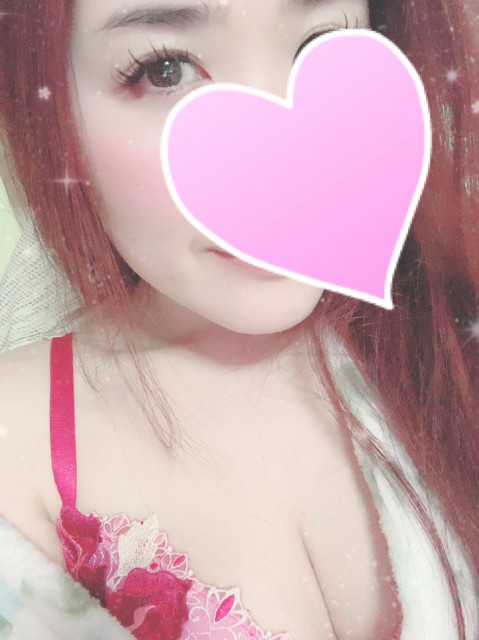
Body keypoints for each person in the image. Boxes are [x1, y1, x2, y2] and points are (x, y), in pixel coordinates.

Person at [0, 1, 478, 639]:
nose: (284, 165)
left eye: (319, 45)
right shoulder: (20, 447)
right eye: (165, 70)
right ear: (45, 107)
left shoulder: (449, 319)